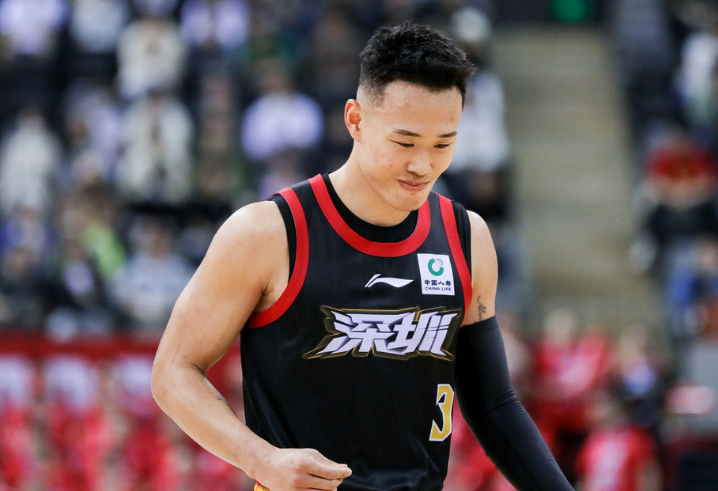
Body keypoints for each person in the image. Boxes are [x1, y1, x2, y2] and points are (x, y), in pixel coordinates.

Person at [152, 22, 574, 491]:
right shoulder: (267, 232)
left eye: (443, 144)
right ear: (355, 120)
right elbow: (173, 371)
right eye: (405, 142)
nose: (423, 165)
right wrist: (259, 458)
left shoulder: (467, 236)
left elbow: (493, 406)